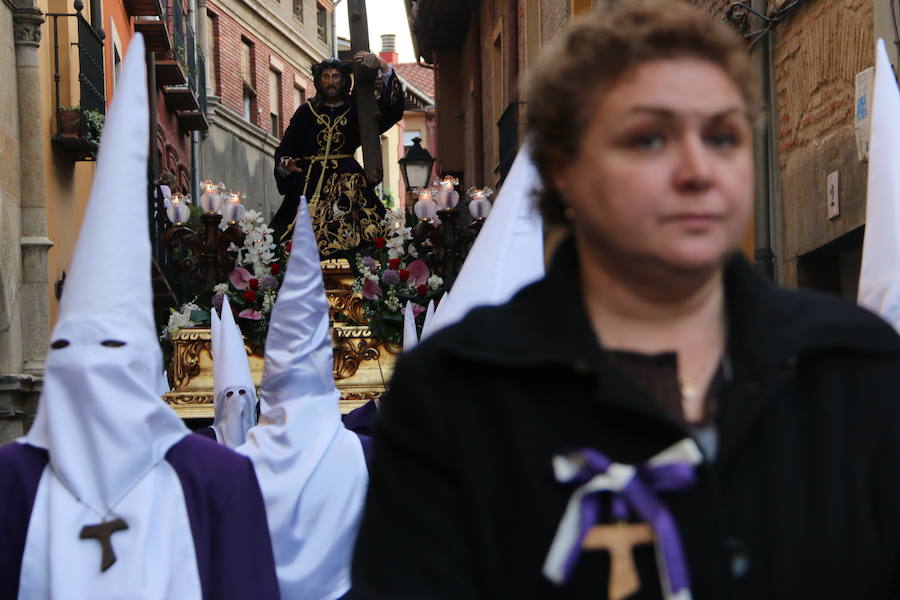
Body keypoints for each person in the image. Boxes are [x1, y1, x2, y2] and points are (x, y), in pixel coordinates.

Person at [350, 2, 900, 599]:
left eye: (722, 136)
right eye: (648, 139)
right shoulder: (460, 393)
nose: (697, 171)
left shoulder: (850, 367)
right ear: (564, 171)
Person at [0, 34, 279, 599]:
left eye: (109, 353)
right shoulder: (10, 483)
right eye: (66, 350)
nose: (88, 371)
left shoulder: (217, 483)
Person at [270, 53, 405, 256]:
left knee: (368, 232)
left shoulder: (357, 109)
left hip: (346, 177)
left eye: (335, 77)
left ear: (344, 81)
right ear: (318, 80)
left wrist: (383, 66)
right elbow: (286, 148)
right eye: (325, 76)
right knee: (283, 241)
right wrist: (284, 166)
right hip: (309, 182)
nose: (330, 82)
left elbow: (391, 109)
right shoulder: (306, 112)